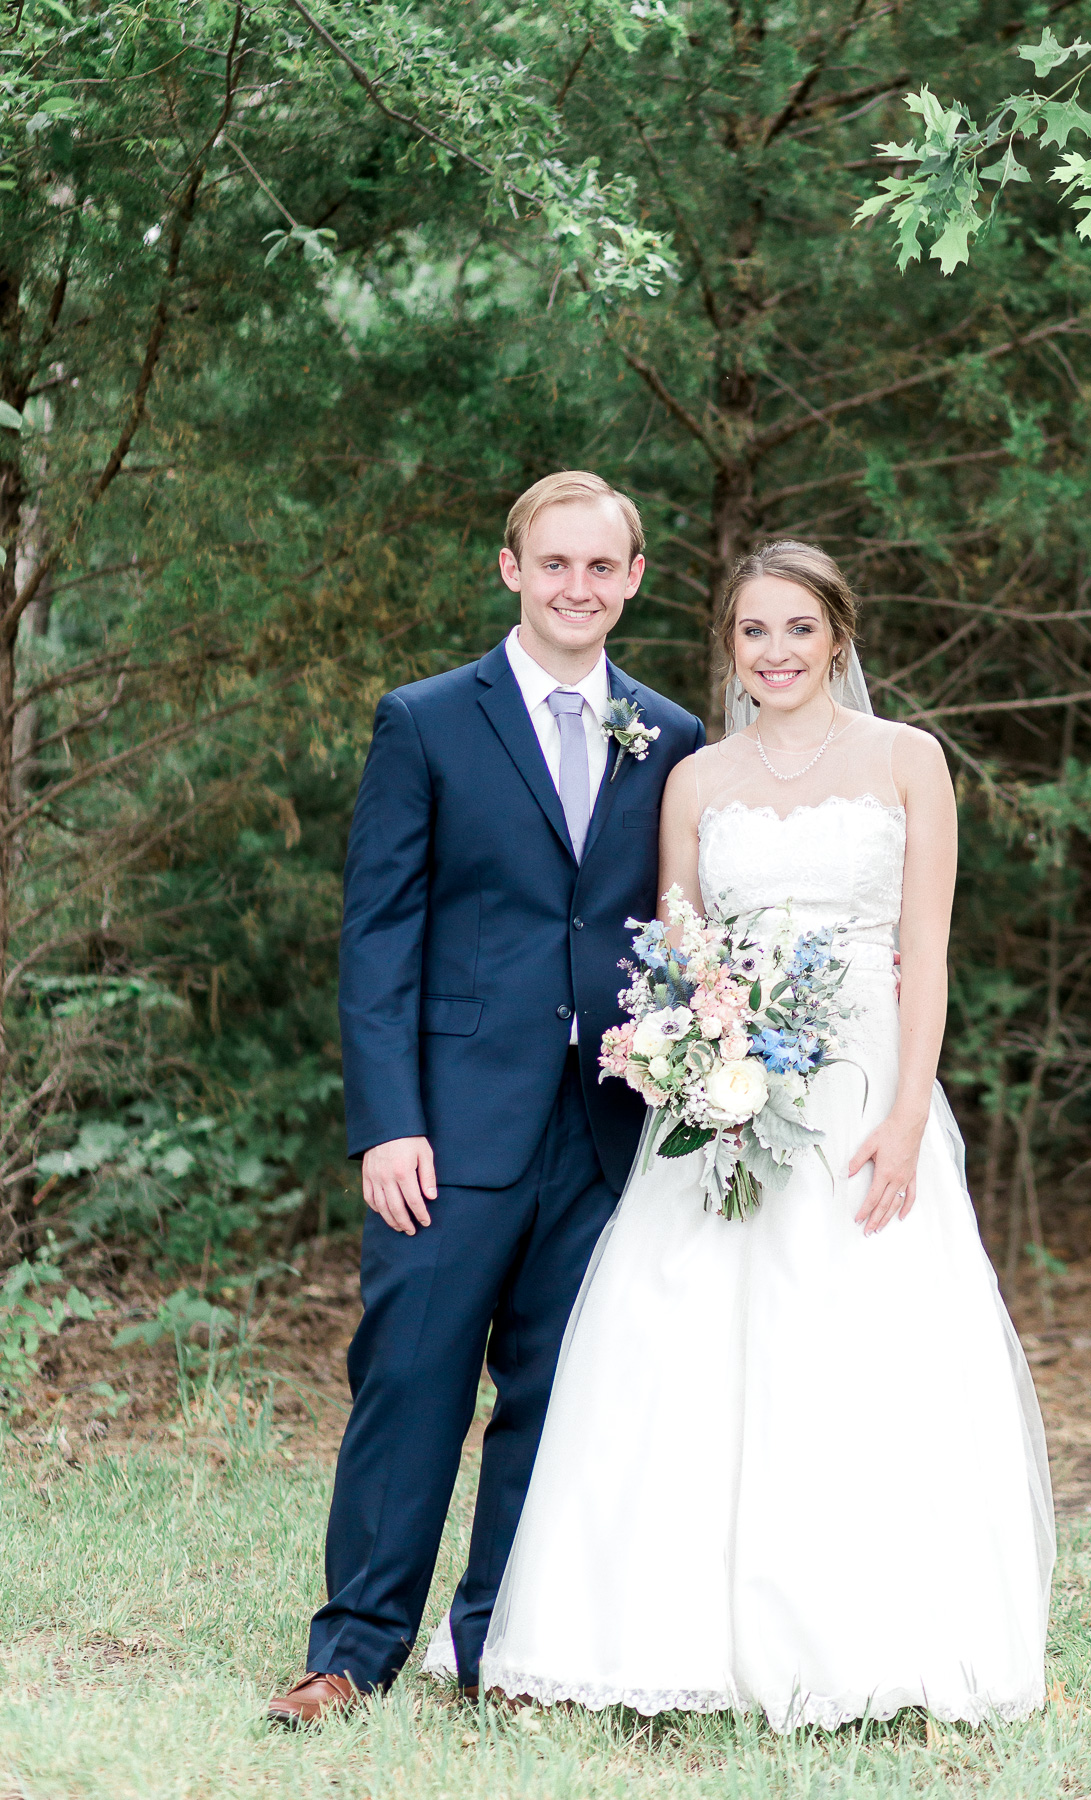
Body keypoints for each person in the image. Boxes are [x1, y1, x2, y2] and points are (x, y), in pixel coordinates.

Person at [437, 539, 1054, 1730]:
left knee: (860, 1350)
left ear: (839, 637)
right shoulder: (696, 780)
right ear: (729, 645)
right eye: (751, 632)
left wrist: (905, 1110)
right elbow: (673, 949)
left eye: (798, 630)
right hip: (721, 1098)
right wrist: (693, 1061)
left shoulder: (907, 762)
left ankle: (873, 1637)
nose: (774, 653)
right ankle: (661, 1636)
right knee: (682, 1350)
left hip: (864, 1089)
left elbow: (923, 953)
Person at [268, 471, 705, 1726]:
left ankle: (497, 1646)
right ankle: (350, 1653)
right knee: (409, 1381)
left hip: (605, 1124)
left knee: (558, 1395)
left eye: (601, 567)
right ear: (509, 568)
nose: (577, 587)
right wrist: (386, 1121)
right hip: (448, 1125)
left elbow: (678, 925)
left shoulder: (667, 738)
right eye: (552, 563)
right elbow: (378, 935)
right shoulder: (425, 722)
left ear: (633, 579)